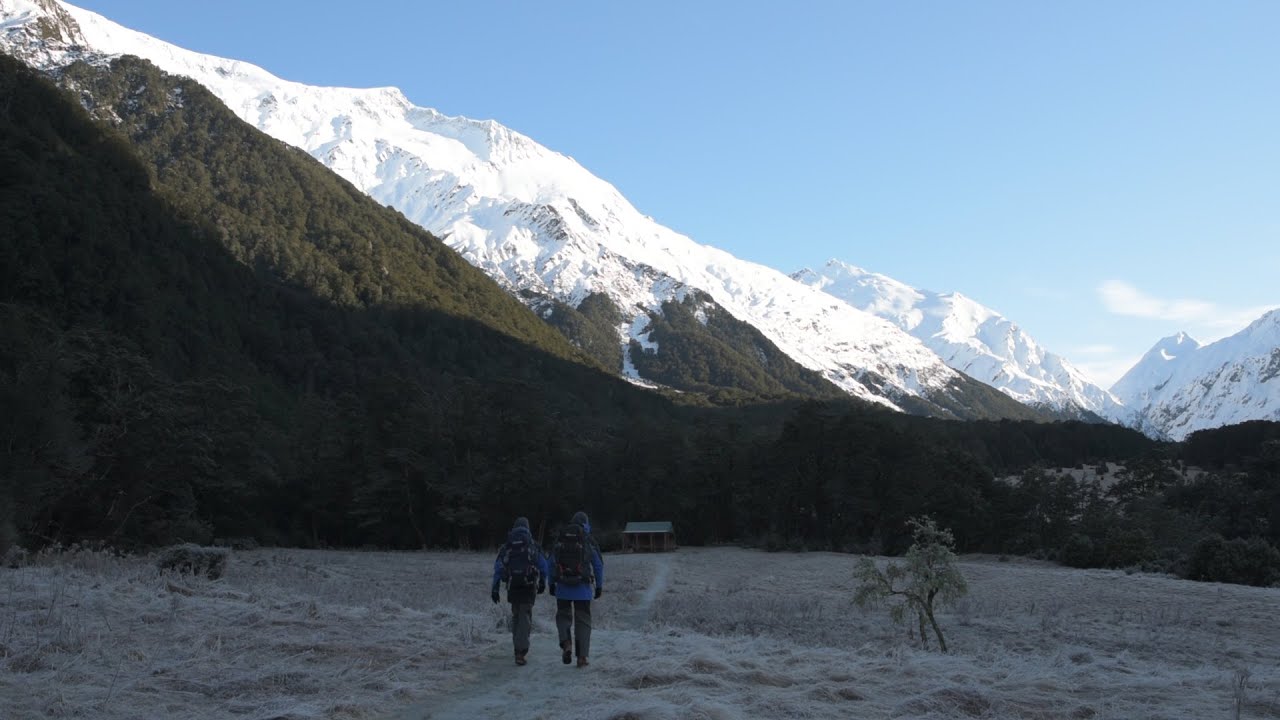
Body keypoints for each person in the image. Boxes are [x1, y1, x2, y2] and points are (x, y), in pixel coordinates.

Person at [548, 511, 604, 667]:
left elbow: (551, 563)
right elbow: (598, 565)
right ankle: (582, 657)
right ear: (586, 523)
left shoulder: (561, 538)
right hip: (583, 589)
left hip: (563, 588)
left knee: (563, 617)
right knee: (583, 621)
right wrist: (599, 586)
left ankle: (566, 644)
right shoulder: (588, 539)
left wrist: (551, 583)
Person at [491, 517, 548, 665]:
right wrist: (542, 581)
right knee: (525, 615)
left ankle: (518, 648)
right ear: (527, 528)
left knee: (517, 614)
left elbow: (498, 568)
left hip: (512, 586)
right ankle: (521, 652)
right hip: (528, 586)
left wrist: (495, 588)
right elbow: (543, 565)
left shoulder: (507, 546)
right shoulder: (532, 545)